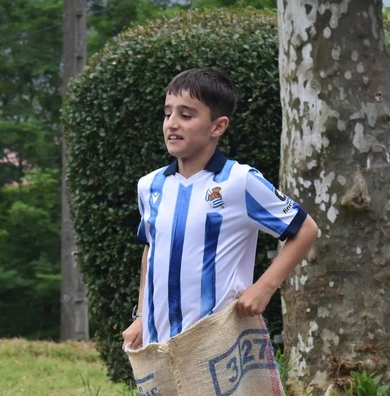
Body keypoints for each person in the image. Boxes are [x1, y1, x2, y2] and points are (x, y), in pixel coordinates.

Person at [122, 67, 318, 350]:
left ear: (218, 126)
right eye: (167, 114)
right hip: (157, 346)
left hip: (218, 345)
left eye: (186, 115)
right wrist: (141, 317)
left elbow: (305, 229)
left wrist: (264, 288)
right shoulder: (150, 186)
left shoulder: (241, 181)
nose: (172, 124)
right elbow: (151, 250)